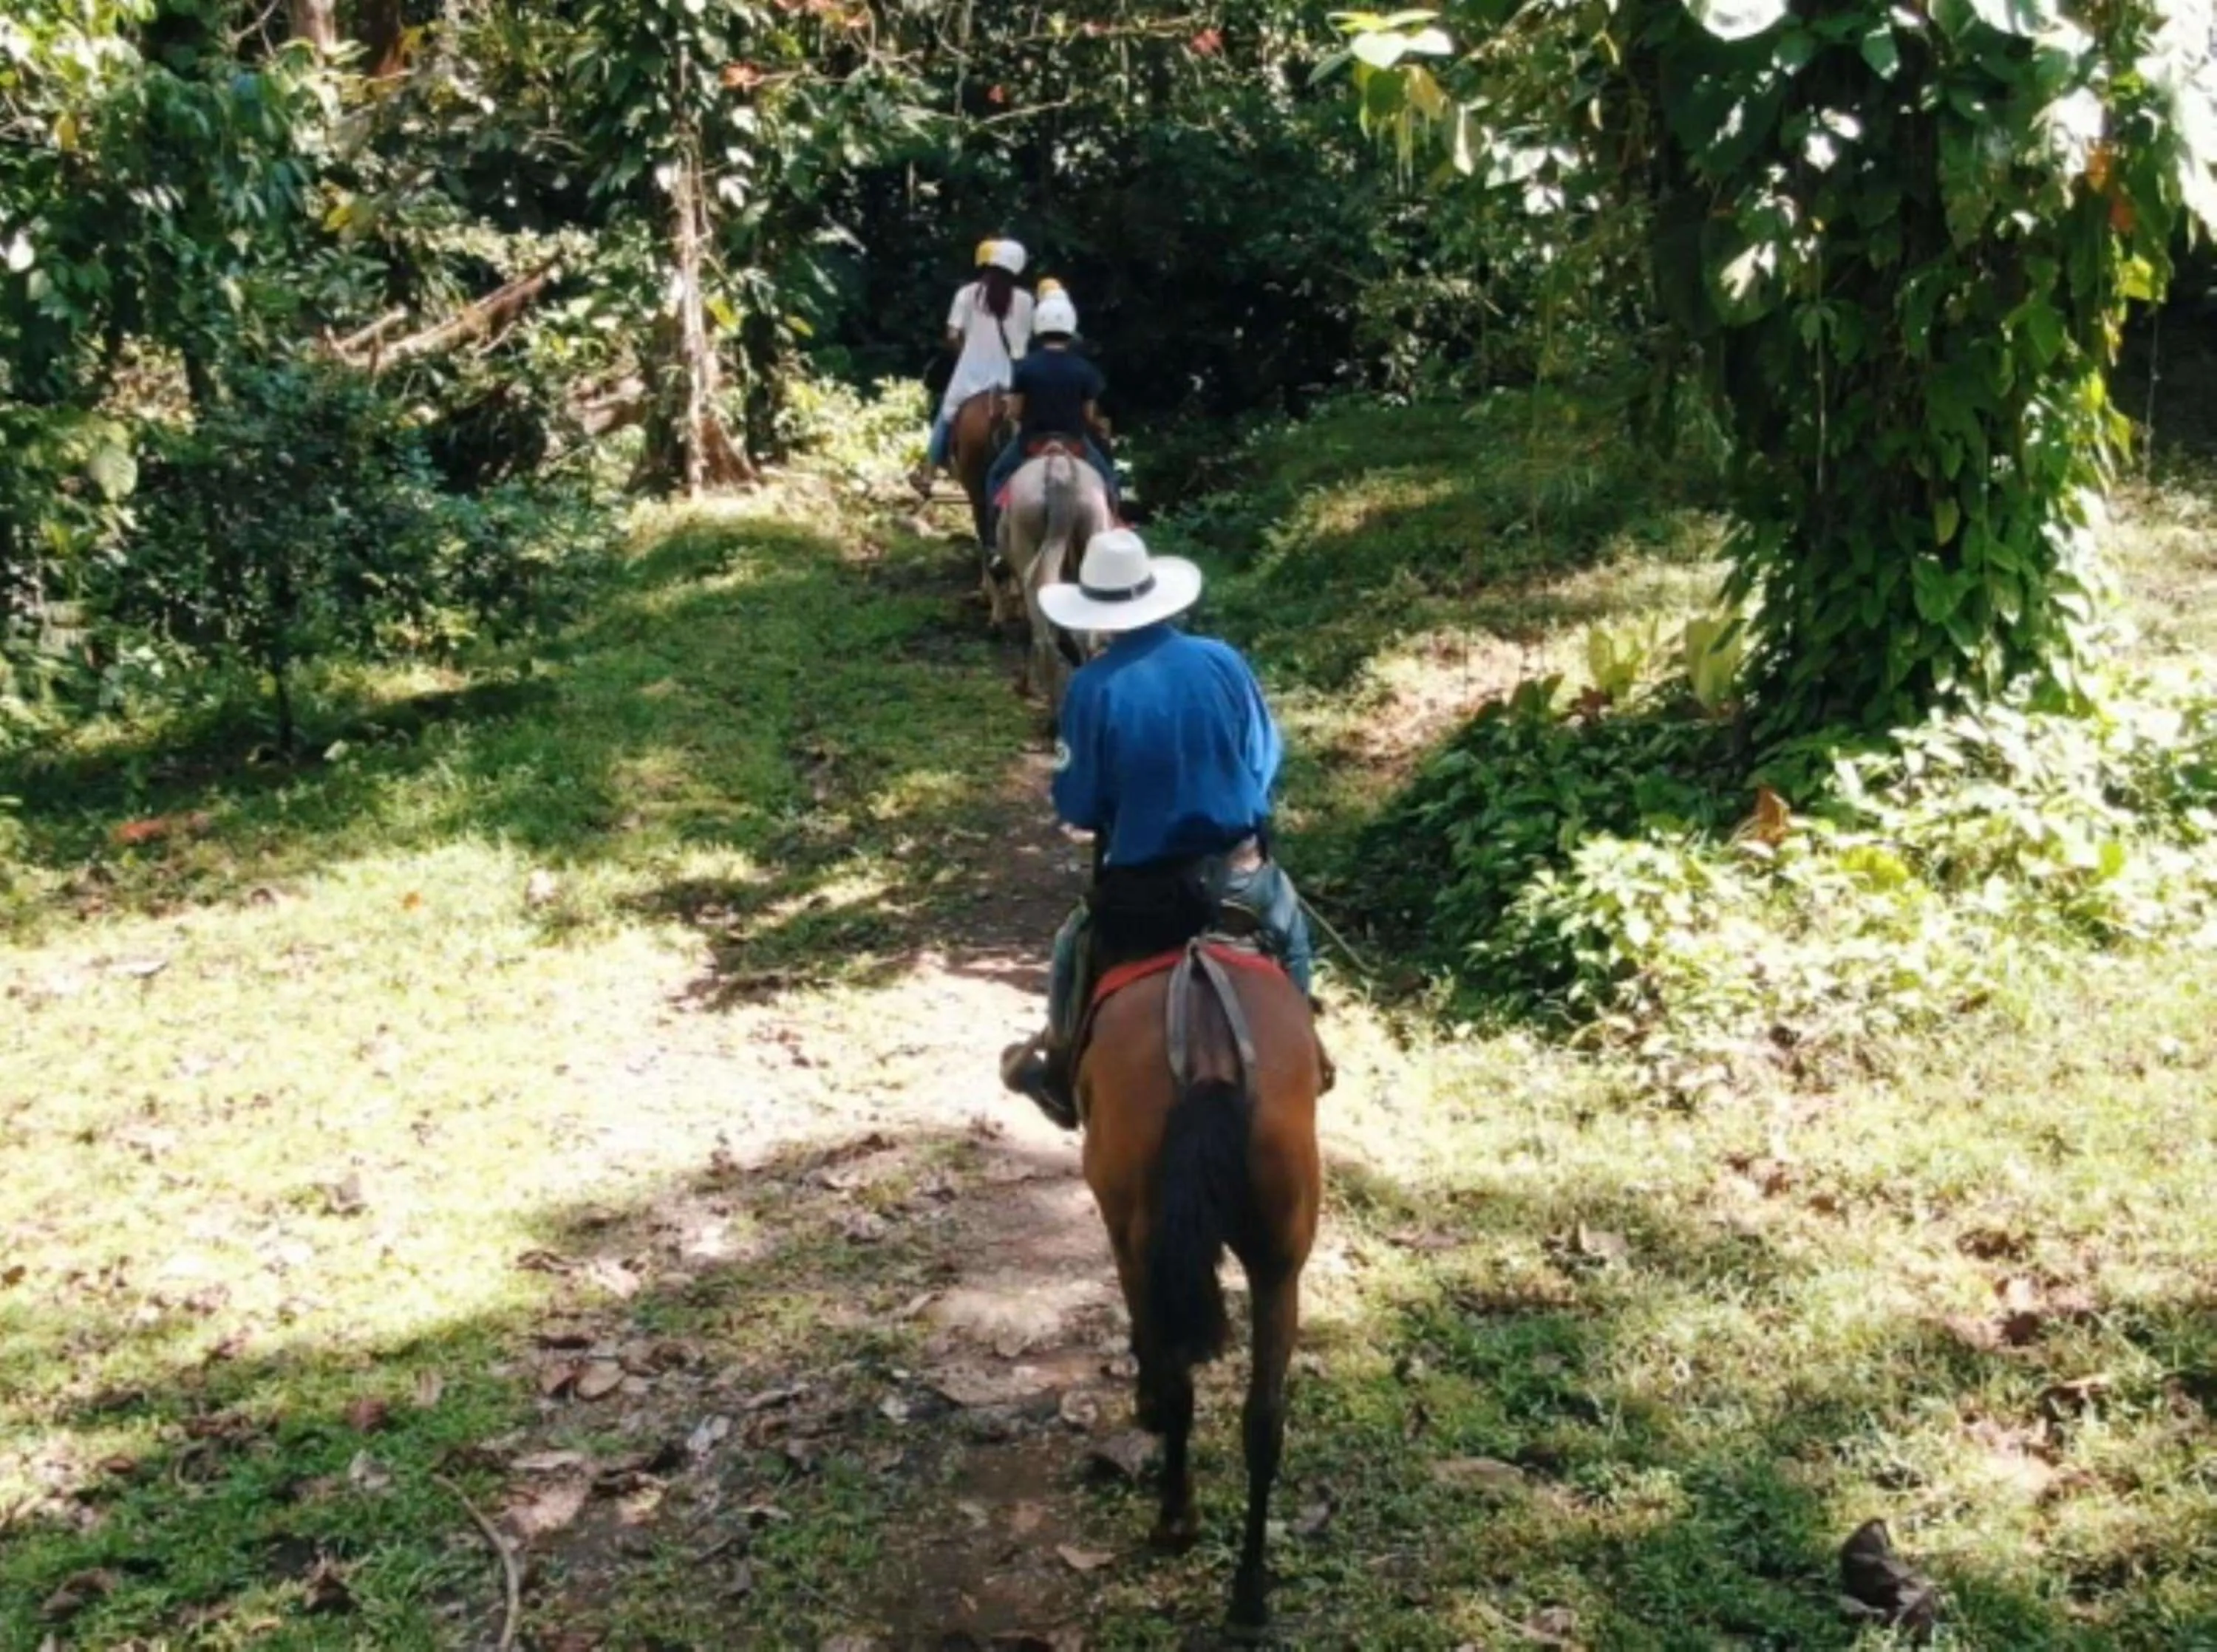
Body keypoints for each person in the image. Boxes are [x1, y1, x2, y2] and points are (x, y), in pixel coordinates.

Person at [999, 528, 1321, 1130]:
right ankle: (1309, 1059)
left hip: (1142, 892)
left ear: (1096, 610)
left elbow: (1079, 803)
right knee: (1293, 936)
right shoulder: (1222, 660)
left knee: (1073, 948)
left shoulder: (1090, 686)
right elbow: (1265, 757)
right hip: (1239, 877)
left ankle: (1063, 1075)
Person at [981, 287, 1120, 542]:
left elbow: (1017, 411)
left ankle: (993, 541)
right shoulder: (1085, 369)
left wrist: (1011, 411)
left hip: (1031, 443)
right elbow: (1089, 416)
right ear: (1070, 327)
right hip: (1075, 443)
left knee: (995, 476)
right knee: (1109, 478)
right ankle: (1114, 525)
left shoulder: (1024, 367)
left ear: (1039, 327)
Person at [912, 239, 1034, 496]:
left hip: (970, 373)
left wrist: (964, 352)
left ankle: (929, 472)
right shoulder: (1025, 300)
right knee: (1031, 420)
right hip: (1010, 377)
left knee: (946, 415)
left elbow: (953, 334)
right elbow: (1024, 341)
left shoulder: (967, 294)